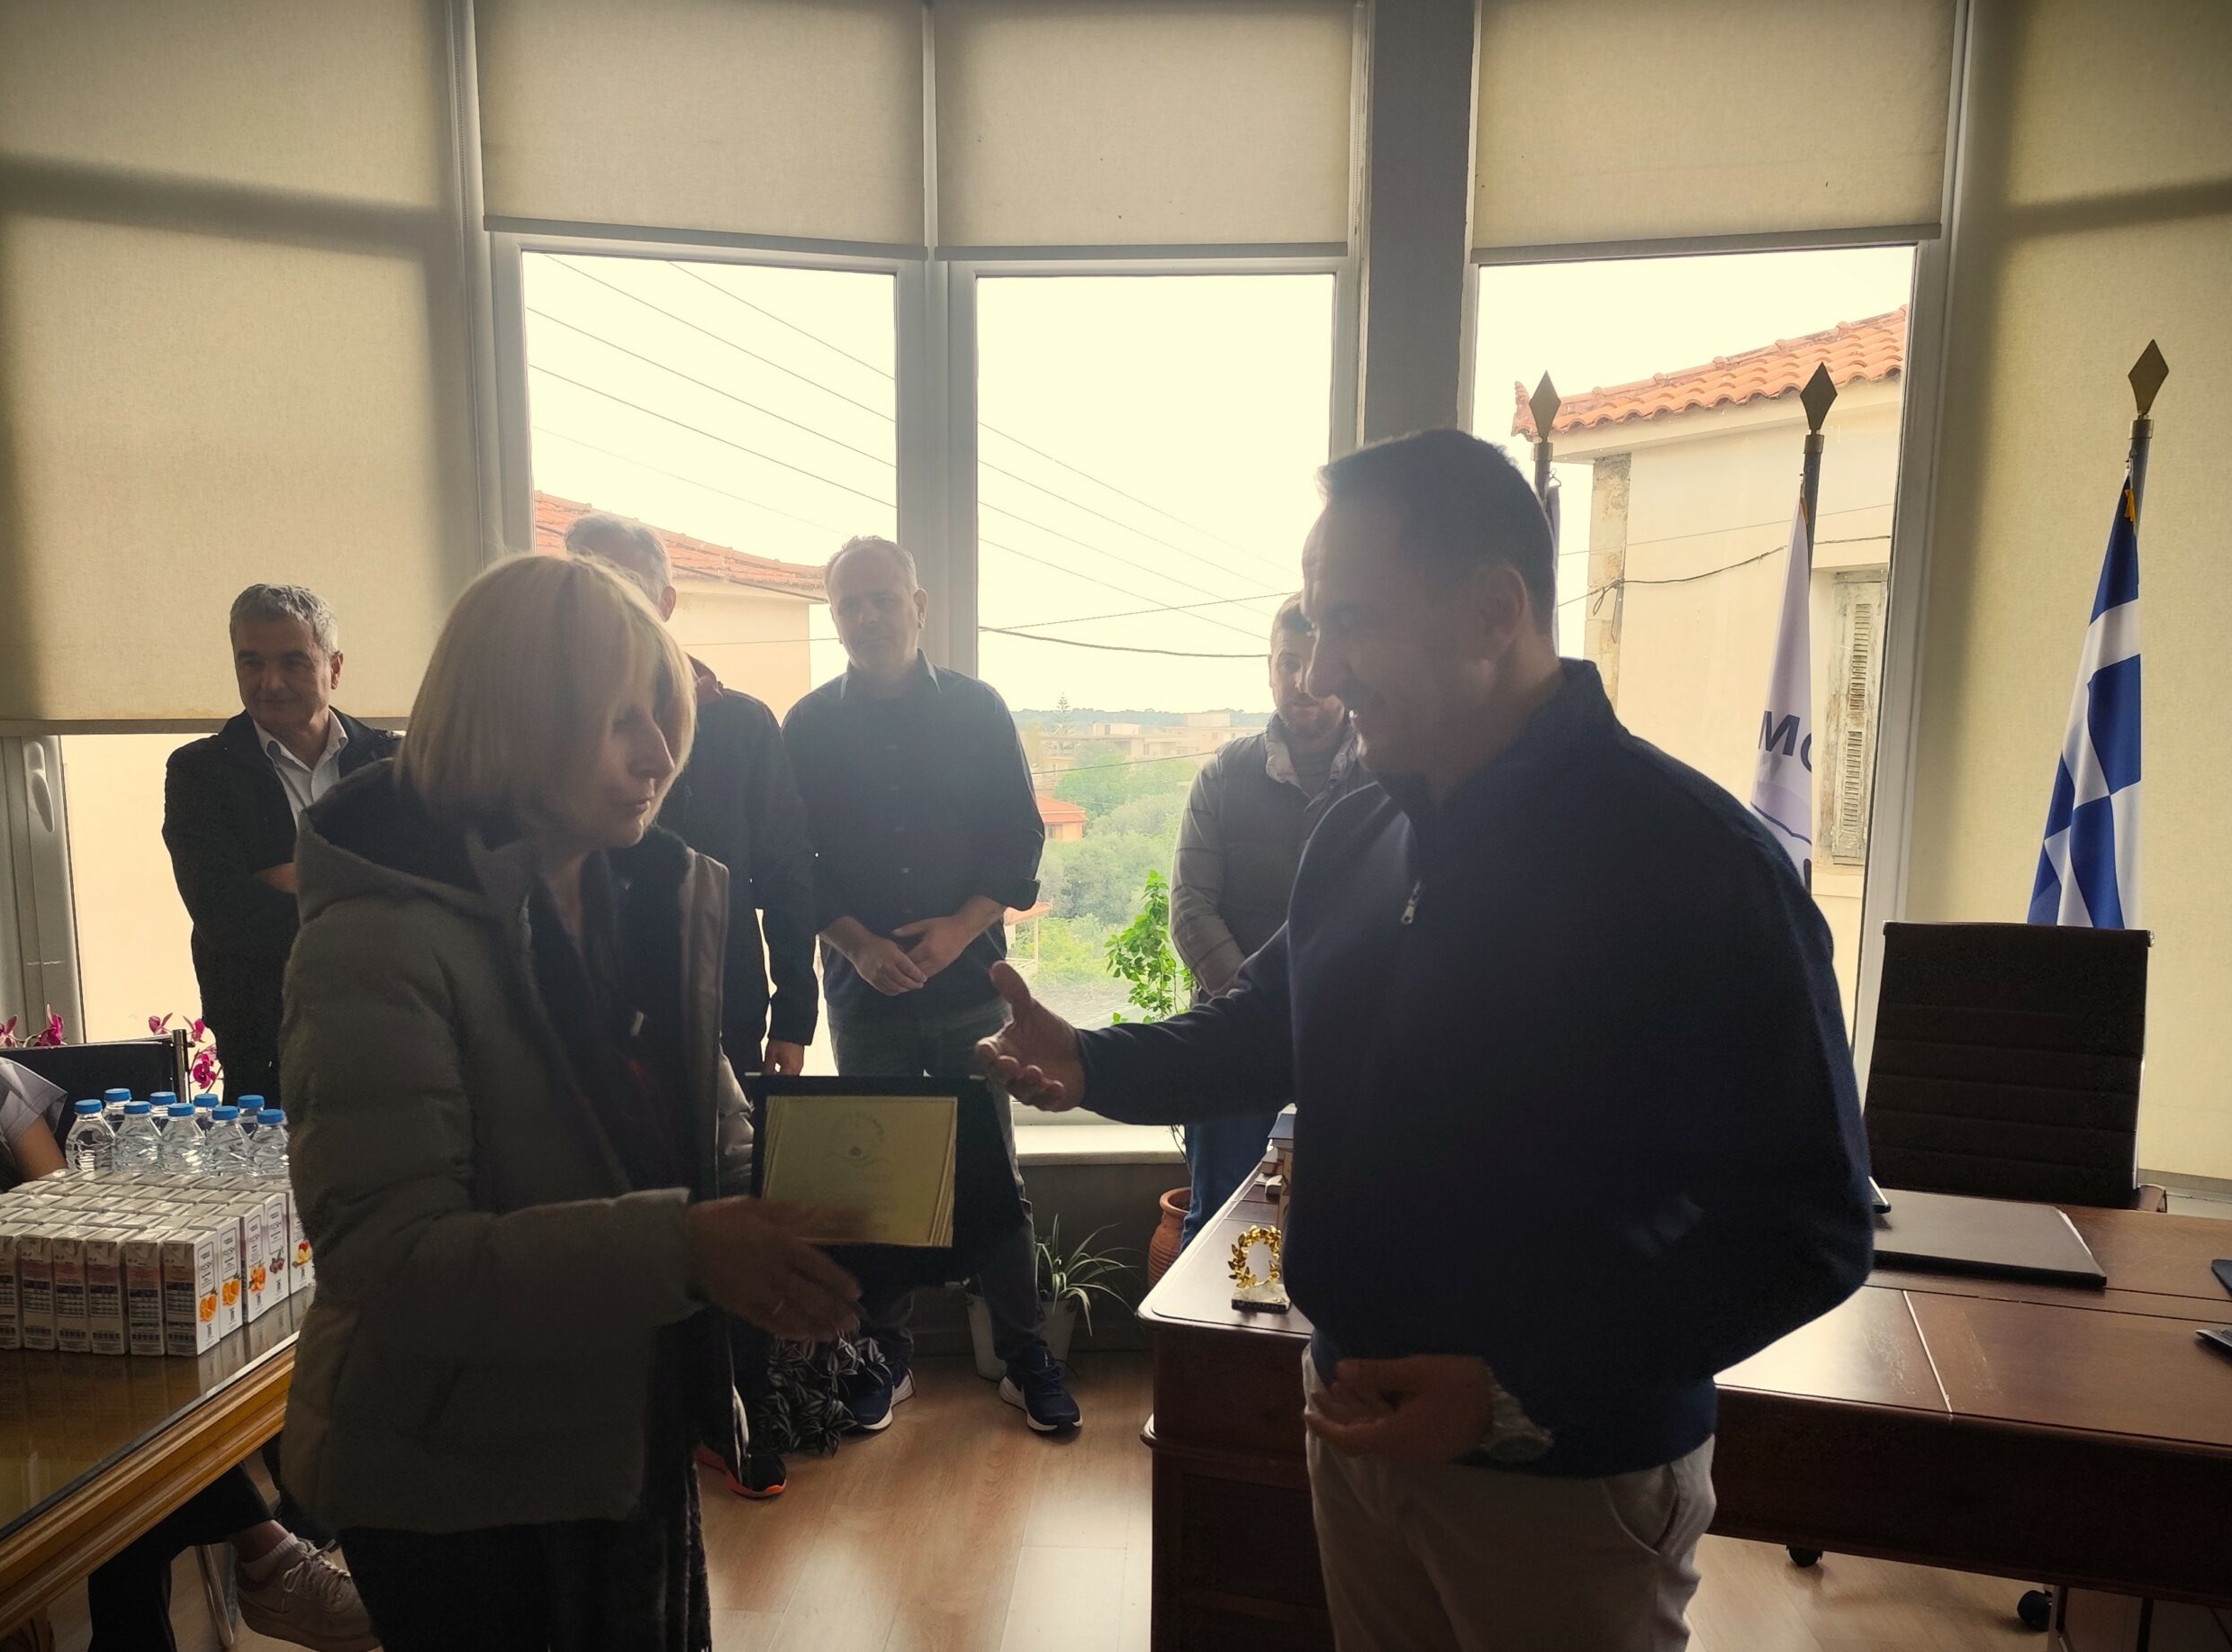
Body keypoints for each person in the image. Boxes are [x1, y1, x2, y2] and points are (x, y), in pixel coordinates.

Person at [981, 429, 1873, 1652]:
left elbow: (1809, 1226)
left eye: (1352, 621)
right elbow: (1268, 1026)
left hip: (1562, 1477)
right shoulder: (1359, 831)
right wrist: (1092, 1061)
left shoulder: (1696, 863)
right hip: (1350, 1421)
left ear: (1495, 611)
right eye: (1312, 623)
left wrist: (1513, 1389)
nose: (1321, 669)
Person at [279, 554, 859, 1652]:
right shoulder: (374, 941)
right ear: (513, 722)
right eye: (620, 720)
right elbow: (391, 1260)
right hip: (455, 1485)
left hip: (621, 1436)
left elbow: (717, 1146)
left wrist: (880, 1200)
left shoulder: (637, 895)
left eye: (666, 717)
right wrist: (685, 1249)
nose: (660, 756)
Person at [0, 960, 373, 1652]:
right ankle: (269, 1560)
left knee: (120, 1440)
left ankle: (265, 1563)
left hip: (56, 1353)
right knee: (118, 1456)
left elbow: (77, 1221)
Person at [781, 536, 1074, 1436]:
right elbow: (791, 863)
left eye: (882, 598)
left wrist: (957, 929)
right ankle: (886, 1355)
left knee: (994, 1178)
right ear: (834, 618)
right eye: (849, 604)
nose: (866, 616)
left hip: (969, 991)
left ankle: (1024, 1357)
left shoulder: (979, 710)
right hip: (864, 997)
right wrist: (858, 943)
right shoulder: (806, 726)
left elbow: (1019, 840)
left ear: (919, 604)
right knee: (876, 1183)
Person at [565, 510, 820, 1502]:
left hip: (724, 1006)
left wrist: (794, 1013)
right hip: (592, 1014)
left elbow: (786, 875)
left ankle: (735, 1408)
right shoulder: (547, 732)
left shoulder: (741, 724)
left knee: (728, 1201)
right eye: (588, 582)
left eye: (628, 585)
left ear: (667, 602)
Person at [1169, 592, 1362, 1246]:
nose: (1301, 681)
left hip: (1351, 1039)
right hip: (1235, 1034)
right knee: (1218, 1222)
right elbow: (1191, 911)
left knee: (1349, 1225)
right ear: (1269, 669)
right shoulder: (1224, 777)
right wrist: (1263, 1007)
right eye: (1287, 663)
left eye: (1314, 663)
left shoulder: (1387, 775)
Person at [164, 584, 398, 1107]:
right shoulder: (200, 773)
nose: (269, 682)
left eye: (293, 661)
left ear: (334, 668)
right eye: (251, 662)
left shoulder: (393, 764)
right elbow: (225, 915)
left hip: (394, 1027)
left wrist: (292, 876)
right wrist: (362, 888)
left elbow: (426, 893)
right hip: (265, 1044)